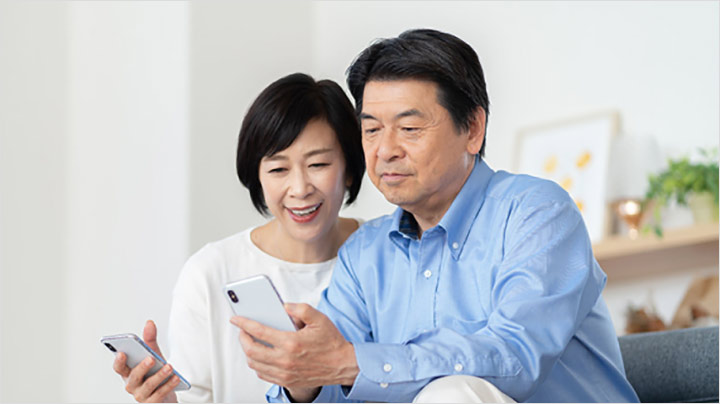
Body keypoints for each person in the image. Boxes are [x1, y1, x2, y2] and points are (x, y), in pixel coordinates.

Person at [233, 29, 640, 403]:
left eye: (409, 129)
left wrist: (351, 362)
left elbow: (515, 357)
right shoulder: (364, 254)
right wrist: (304, 379)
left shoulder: (537, 213)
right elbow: (340, 376)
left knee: (452, 393)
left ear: (473, 129)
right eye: (371, 130)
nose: (385, 150)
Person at [110, 72, 365, 402]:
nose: (300, 188)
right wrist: (165, 399)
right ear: (257, 177)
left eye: (318, 164)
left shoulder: (389, 256)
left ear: (349, 168)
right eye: (278, 169)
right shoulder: (211, 272)